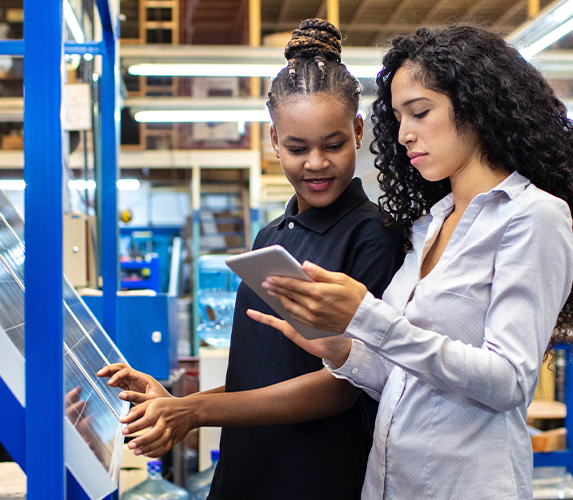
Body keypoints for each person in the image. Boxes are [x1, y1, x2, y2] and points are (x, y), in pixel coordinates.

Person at [249, 25, 573, 499]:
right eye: (398, 117)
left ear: (474, 106)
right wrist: (341, 349)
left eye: (420, 112)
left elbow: (509, 380)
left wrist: (366, 316)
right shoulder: (430, 225)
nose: (404, 134)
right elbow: (402, 375)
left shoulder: (532, 218)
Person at [97, 19, 403, 500]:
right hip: (247, 475)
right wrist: (180, 403)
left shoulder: (374, 236)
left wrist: (194, 413)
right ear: (274, 141)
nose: (316, 163)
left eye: (334, 144)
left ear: (359, 131)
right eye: (298, 148)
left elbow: (343, 385)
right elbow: (259, 378)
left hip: (317, 481)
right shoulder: (271, 236)